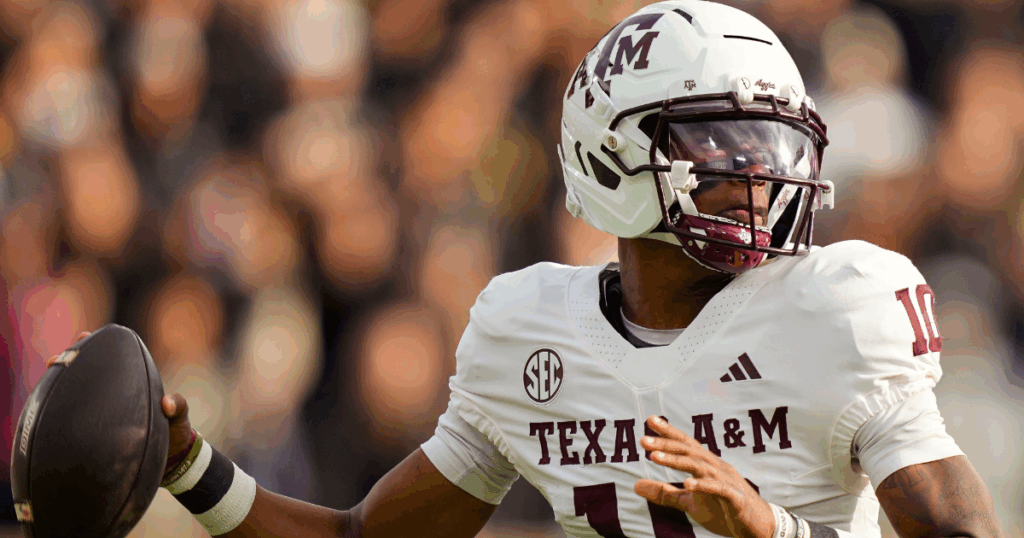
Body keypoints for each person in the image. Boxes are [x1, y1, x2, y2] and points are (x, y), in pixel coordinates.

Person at [60, 1, 1007, 537]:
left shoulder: (838, 308)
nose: (757, 179)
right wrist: (191, 467)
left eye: (772, 147)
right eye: (724, 145)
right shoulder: (529, 339)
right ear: (611, 157)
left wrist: (779, 533)